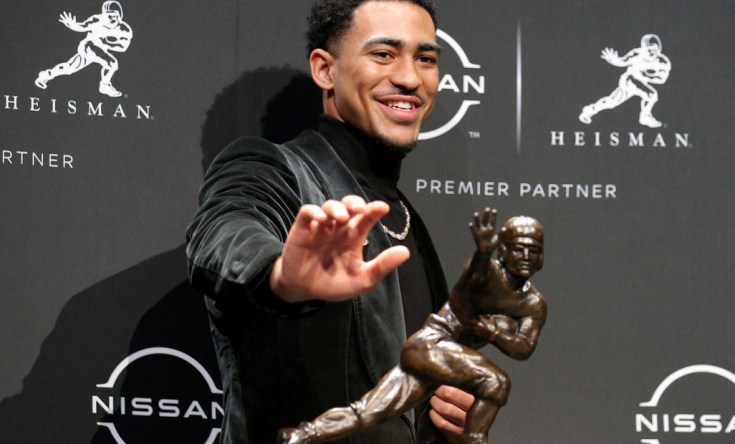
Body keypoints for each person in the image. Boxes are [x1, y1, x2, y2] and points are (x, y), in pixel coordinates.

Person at [186, 1, 474, 443]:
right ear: (324, 70)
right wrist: (282, 276)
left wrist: (454, 425)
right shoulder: (271, 167)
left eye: (426, 58)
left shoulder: (406, 217)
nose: (410, 78)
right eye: (383, 54)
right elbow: (225, 234)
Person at [278, 209, 547, 444]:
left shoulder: (534, 304)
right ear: (503, 250)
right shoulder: (485, 272)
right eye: (518, 248)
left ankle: (302, 435)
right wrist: (482, 253)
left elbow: (523, 347)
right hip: (431, 345)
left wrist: (494, 333)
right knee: (496, 381)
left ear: (541, 257)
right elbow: (468, 288)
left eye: (532, 250)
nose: (525, 256)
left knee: (368, 412)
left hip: (440, 364)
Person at [35, 1, 133, 97]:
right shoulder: (96, 20)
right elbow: (82, 26)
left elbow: (123, 47)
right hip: (88, 46)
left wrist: (106, 43)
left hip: (101, 50)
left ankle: (46, 75)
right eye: (109, 15)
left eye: (115, 15)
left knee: (69, 68)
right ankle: (104, 85)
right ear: (103, 15)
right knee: (111, 63)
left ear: (120, 15)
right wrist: (72, 25)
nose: (113, 18)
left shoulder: (124, 29)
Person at [578, 34, 671, 128]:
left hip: (641, 83)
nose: (652, 52)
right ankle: (645, 116)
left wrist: (646, 76)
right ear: (643, 48)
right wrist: (613, 60)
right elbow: (622, 61)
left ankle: (590, 110)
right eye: (648, 48)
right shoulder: (636, 54)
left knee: (612, 102)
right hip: (629, 80)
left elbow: (662, 80)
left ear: (659, 49)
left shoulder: (663, 62)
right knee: (651, 95)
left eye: (654, 49)